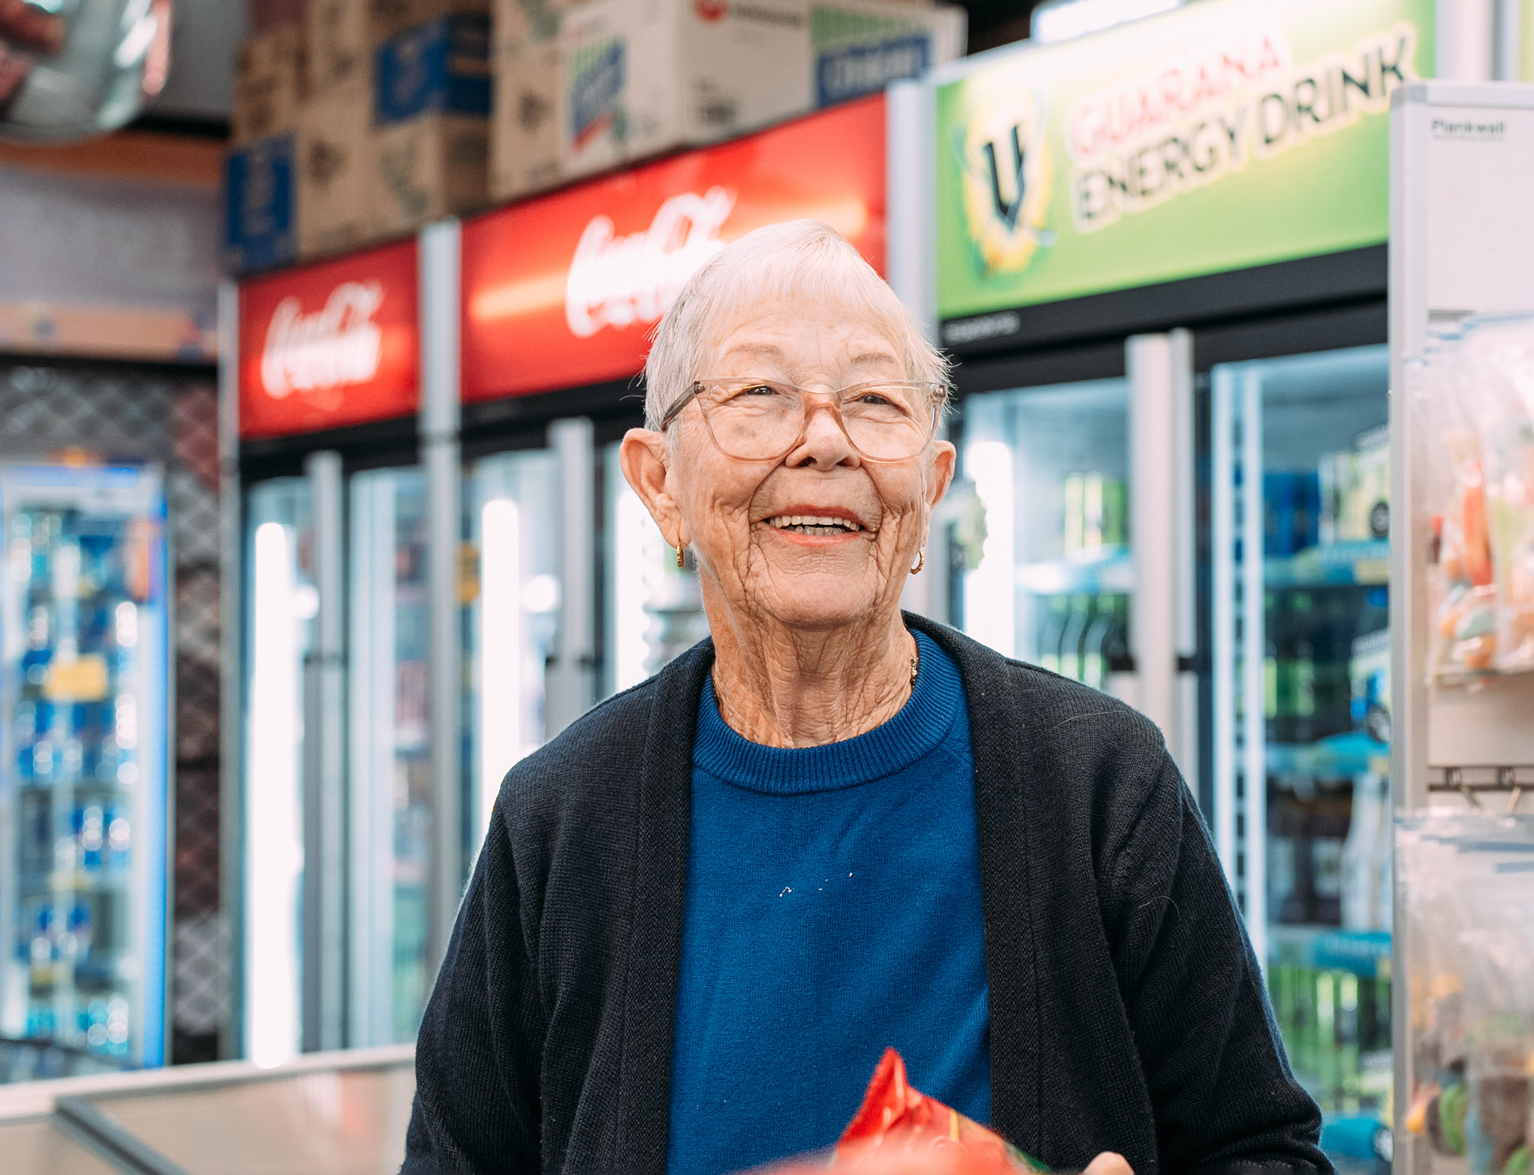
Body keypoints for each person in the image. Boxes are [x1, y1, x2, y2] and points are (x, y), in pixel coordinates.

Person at [401, 220, 1326, 1175]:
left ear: (927, 489)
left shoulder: (1097, 785)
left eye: (874, 400)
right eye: (760, 393)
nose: (825, 441)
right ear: (660, 483)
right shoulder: (560, 817)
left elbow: (1264, 1149)